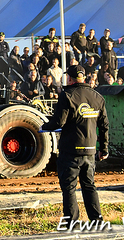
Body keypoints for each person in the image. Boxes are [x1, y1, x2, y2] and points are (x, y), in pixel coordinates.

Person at [42, 64, 109, 224]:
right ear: (83, 77)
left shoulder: (67, 96)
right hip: (90, 151)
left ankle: (71, 223)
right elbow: (104, 125)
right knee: (89, 186)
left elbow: (59, 122)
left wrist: (43, 126)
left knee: (69, 188)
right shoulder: (98, 97)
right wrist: (104, 148)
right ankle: (97, 221)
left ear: (70, 79)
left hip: (71, 151)